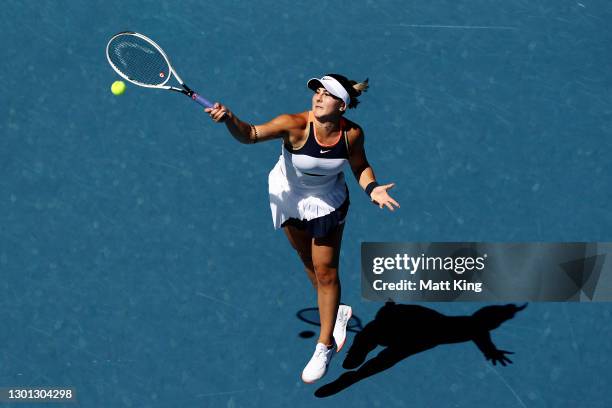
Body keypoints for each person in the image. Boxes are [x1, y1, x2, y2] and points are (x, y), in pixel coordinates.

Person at [205, 74, 400, 383]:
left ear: (342, 106)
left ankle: (325, 344)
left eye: (327, 94)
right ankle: (336, 312)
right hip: (288, 196)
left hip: (326, 203)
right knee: (306, 260)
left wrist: (372, 188)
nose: (318, 97)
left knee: (326, 272)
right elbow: (252, 134)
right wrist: (230, 119)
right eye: (317, 92)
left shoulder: (351, 135)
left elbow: (360, 166)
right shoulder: (293, 124)